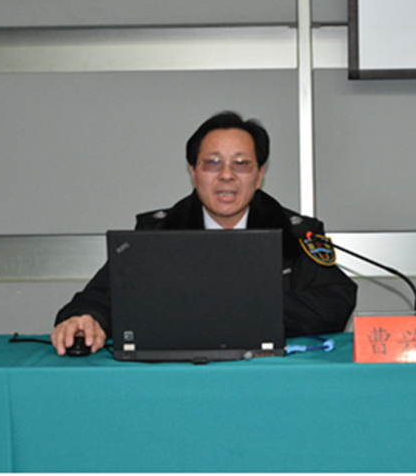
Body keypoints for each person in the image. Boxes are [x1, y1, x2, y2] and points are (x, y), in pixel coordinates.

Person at [52, 111, 357, 355]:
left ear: (259, 175)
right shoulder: (157, 235)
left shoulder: (296, 234)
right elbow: (100, 297)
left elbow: (334, 302)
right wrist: (87, 318)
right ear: (193, 172)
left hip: (268, 373)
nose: (226, 175)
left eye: (241, 164)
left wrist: (221, 307)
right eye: (212, 163)